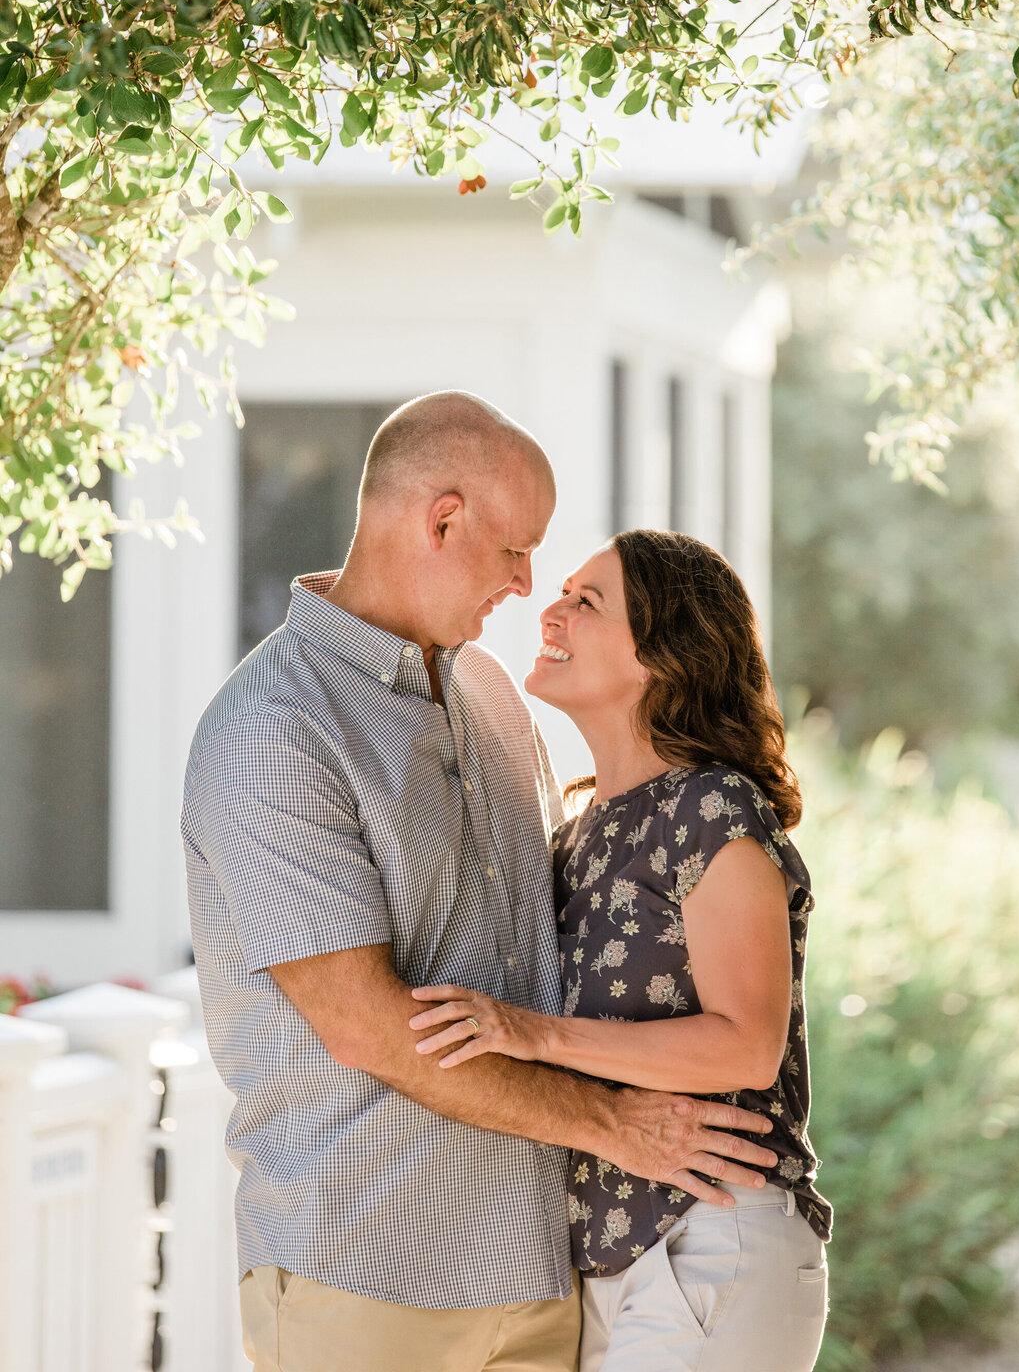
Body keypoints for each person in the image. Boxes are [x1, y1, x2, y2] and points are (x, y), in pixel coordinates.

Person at [182, 394, 778, 1372]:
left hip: (539, 1276)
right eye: (515, 550)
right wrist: (616, 1124)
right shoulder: (274, 730)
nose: (528, 582)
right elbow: (364, 1025)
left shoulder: (495, 700)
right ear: (443, 519)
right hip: (365, 1276)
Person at [407, 528, 833, 1372]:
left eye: (586, 602)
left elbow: (746, 1045)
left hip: (712, 1236)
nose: (550, 611)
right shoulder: (578, 835)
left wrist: (530, 1033)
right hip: (603, 1262)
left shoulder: (714, 810)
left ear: (665, 656)